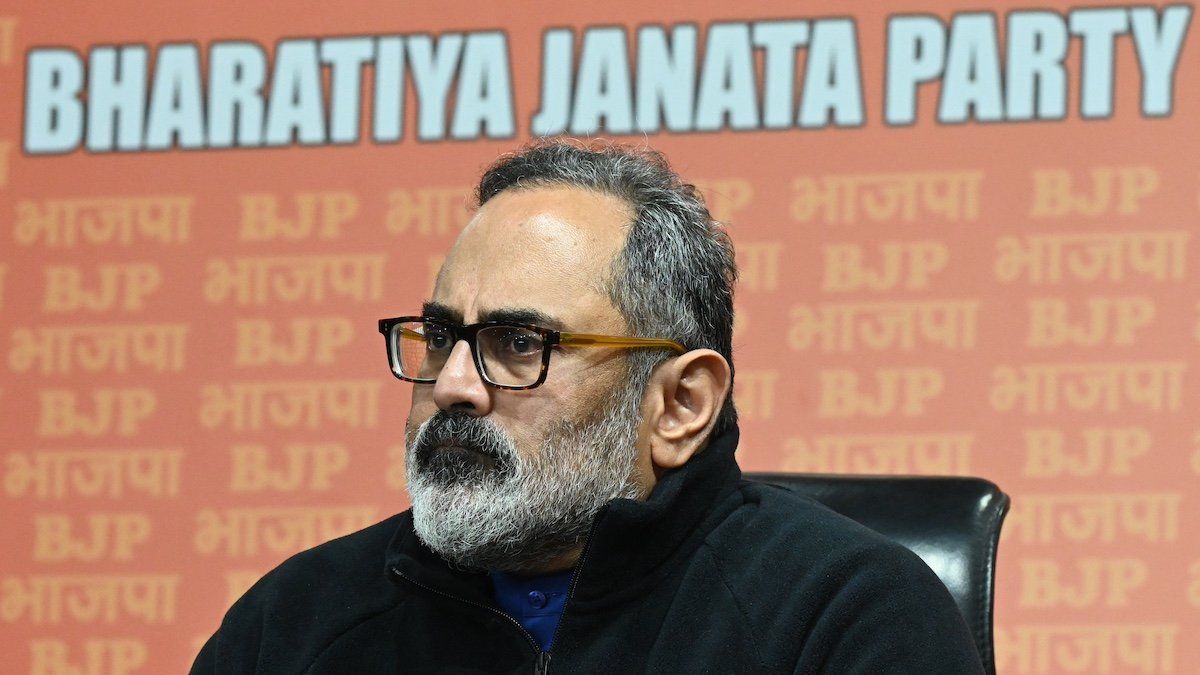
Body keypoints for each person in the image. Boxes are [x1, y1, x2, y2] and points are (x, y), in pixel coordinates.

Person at [192, 140, 985, 674]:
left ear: (679, 404)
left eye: (518, 342)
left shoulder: (845, 617)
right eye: (440, 335)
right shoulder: (292, 626)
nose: (454, 385)